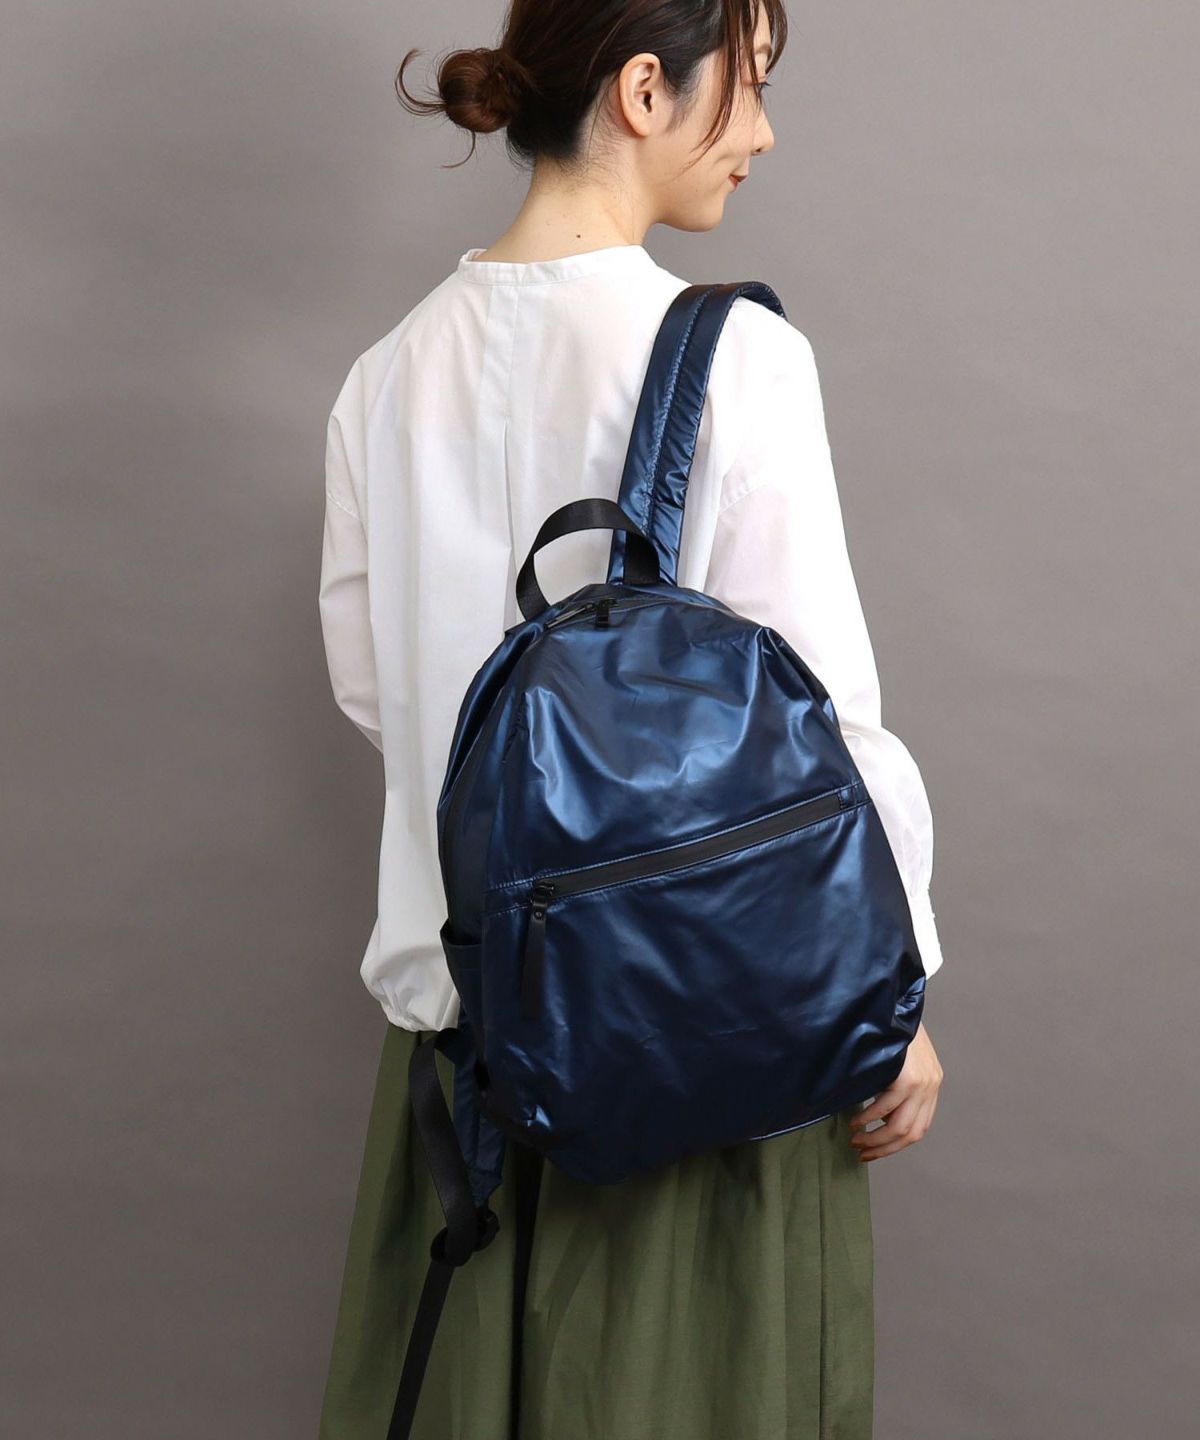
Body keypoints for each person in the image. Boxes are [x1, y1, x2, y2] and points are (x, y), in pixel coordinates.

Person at [316, 2, 946, 1436]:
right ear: (646, 89)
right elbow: (823, 724)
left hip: (471, 1080)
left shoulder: (383, 378)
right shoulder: (736, 357)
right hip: (703, 1051)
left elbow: (384, 701)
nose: (764, 133)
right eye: (752, 85)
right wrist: (895, 983)